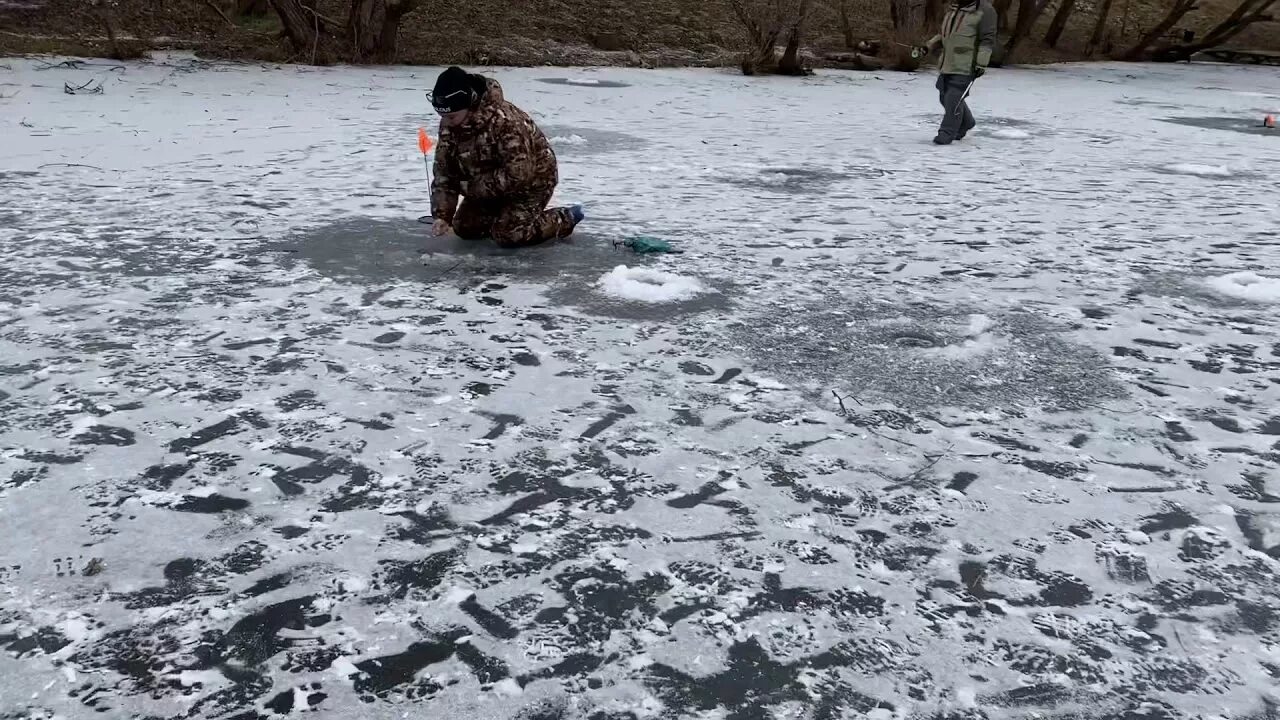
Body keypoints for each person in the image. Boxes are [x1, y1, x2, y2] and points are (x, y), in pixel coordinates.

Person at [428, 66, 584, 247]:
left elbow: (518, 175)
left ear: (469, 104)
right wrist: (442, 216)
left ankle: (564, 218)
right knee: (465, 227)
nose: (445, 123)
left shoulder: (507, 123)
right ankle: (502, 215)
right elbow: (444, 171)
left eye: (451, 117)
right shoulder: (451, 124)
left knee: (508, 234)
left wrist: (472, 187)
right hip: (488, 185)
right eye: (442, 116)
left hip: (532, 182)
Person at [922, 0, 998, 145]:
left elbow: (987, 39)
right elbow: (944, 34)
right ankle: (966, 122)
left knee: (953, 98)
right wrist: (928, 46)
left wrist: (981, 62)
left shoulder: (985, 10)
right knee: (944, 97)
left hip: (967, 64)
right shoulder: (953, 8)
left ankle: (946, 133)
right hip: (948, 62)